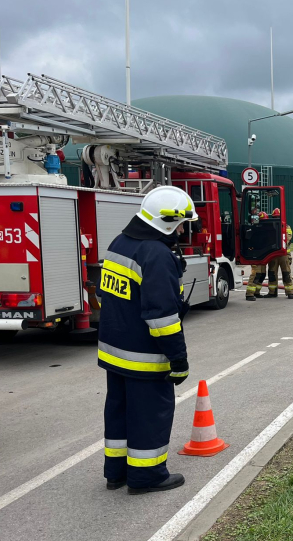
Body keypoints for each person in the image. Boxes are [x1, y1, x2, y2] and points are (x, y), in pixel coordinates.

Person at [99, 186, 192, 495]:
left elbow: (108, 296)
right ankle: (147, 476)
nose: (182, 230)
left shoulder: (120, 243)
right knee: (150, 415)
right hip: (145, 356)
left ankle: (117, 473)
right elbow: (162, 319)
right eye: (181, 224)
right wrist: (178, 359)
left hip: (114, 352)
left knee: (119, 411)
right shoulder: (156, 254)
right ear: (167, 222)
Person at [265, 208, 293, 299]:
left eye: (278, 217)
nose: (276, 219)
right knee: (272, 274)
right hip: (273, 254)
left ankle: (290, 292)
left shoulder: (287, 227)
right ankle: (272, 292)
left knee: (286, 273)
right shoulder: (270, 227)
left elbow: (288, 239)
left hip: (284, 254)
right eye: (275, 217)